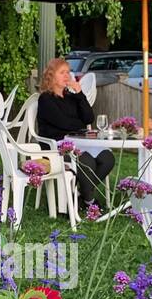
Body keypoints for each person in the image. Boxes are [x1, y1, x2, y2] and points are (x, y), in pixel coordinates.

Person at [36, 56, 115, 207]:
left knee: (107, 157)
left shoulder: (72, 97)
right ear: (51, 76)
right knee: (87, 161)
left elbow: (89, 118)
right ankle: (89, 201)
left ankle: (82, 195)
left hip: (78, 141)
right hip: (56, 146)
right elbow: (64, 123)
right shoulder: (46, 99)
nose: (67, 76)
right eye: (62, 72)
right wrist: (79, 124)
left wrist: (80, 94)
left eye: (68, 72)